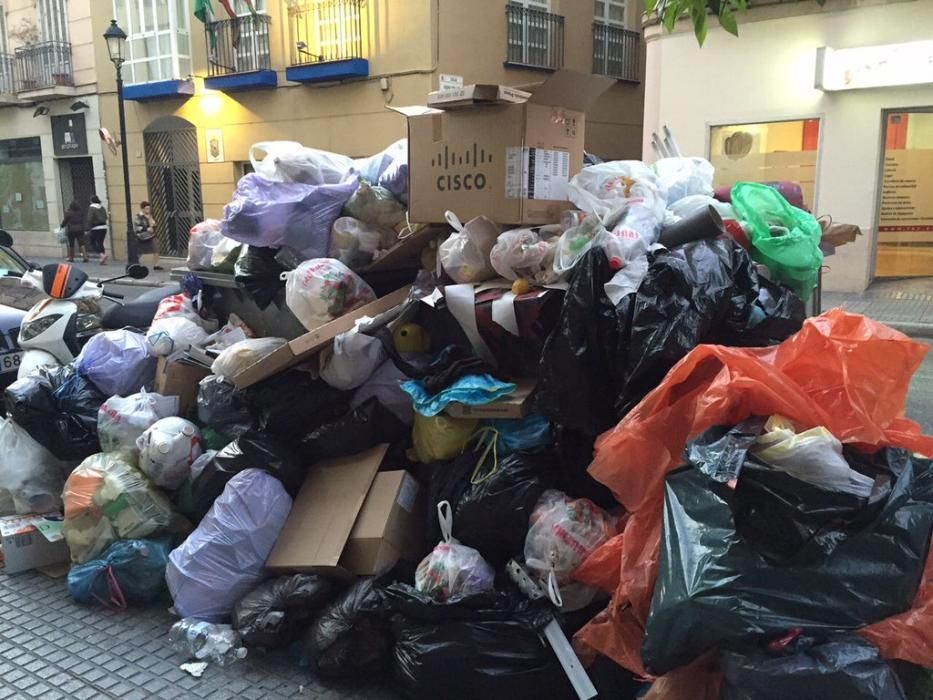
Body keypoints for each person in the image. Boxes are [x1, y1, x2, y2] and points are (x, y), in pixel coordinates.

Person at [134, 201, 162, 270]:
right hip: (142, 237)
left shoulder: (149, 216)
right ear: (142, 209)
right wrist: (146, 228)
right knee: (140, 251)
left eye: (149, 208)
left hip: (151, 236)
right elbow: (137, 226)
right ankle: (135, 263)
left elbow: (154, 225)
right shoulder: (139, 216)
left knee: (156, 248)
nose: (148, 210)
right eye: (146, 208)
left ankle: (156, 265)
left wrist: (152, 223)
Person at [85, 195, 108, 265]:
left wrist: (87, 229)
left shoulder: (91, 208)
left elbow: (90, 219)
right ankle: (102, 259)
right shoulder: (102, 207)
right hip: (104, 227)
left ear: (91, 201)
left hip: (96, 228)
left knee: (92, 242)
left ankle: (102, 255)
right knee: (100, 243)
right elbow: (106, 217)